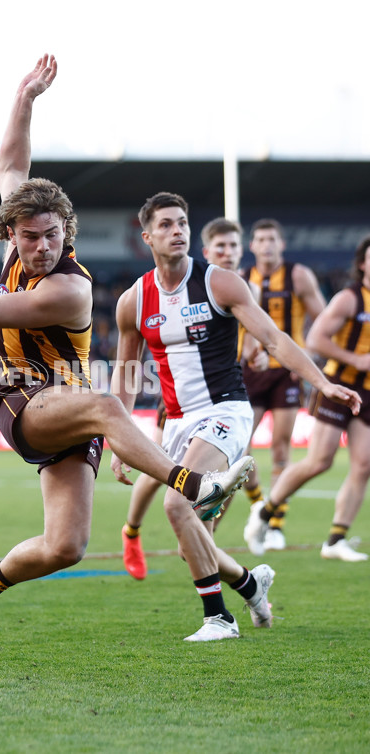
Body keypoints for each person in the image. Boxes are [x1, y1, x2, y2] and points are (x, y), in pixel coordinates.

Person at [0, 55, 255, 657]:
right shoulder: (22, 226)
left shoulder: (70, 287)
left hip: (68, 408)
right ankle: (193, 485)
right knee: (102, 403)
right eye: (28, 237)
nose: (40, 246)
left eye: (51, 236)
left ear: (67, 231)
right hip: (22, 396)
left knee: (64, 546)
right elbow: (11, 162)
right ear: (9, 233)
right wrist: (25, 97)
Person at [110, 193, 361, 641]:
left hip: (226, 409)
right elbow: (126, 374)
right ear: (147, 236)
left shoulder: (219, 283)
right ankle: (251, 583)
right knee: (195, 545)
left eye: (183, 222)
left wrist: (320, 382)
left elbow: (273, 338)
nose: (178, 231)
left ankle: (218, 619)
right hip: (180, 422)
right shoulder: (134, 301)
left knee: (176, 504)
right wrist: (118, 437)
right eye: (166, 224)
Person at [122, 218, 268, 581]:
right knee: (159, 469)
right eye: (221, 247)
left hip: (223, 395)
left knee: (226, 469)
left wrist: (257, 354)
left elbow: (253, 340)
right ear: (206, 251)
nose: (229, 252)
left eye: (234, 246)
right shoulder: (186, 282)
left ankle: (209, 538)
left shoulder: (241, 287)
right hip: (177, 396)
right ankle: (132, 531)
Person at [244, 235, 370, 561]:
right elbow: (315, 338)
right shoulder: (349, 299)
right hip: (339, 385)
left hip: (368, 392)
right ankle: (267, 513)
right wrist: (356, 360)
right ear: (362, 264)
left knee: (363, 465)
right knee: (320, 460)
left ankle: (336, 539)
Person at [241, 219, 326, 551]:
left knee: (280, 448)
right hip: (253, 369)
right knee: (240, 447)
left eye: (272, 239)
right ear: (253, 246)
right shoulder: (244, 279)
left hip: (287, 371)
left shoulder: (298, 276)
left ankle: (274, 524)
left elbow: (323, 320)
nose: (266, 245)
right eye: (260, 239)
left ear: (282, 243)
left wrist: (307, 359)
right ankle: (259, 504)